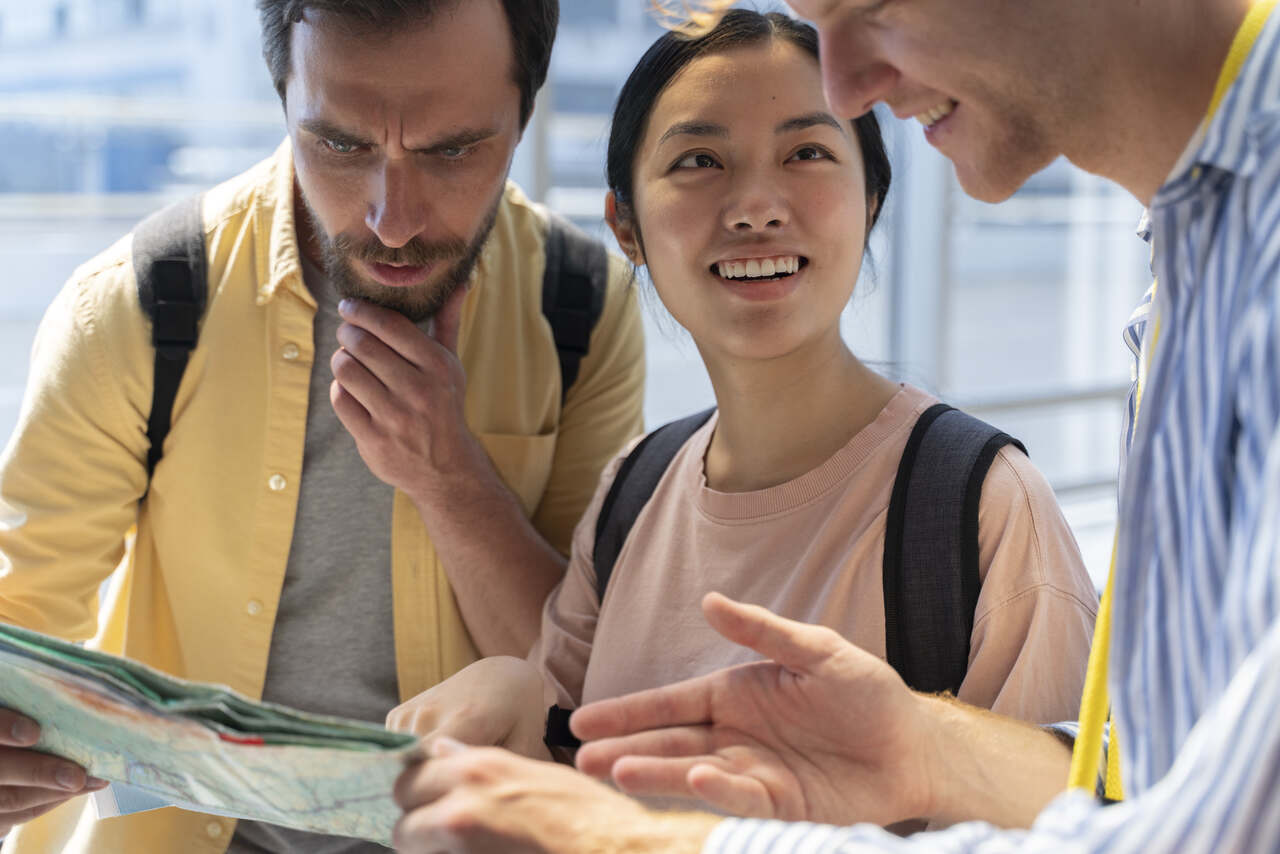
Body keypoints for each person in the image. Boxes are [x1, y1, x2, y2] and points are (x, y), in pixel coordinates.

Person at [390, 0, 1280, 851]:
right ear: (625, 224)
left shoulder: (977, 505)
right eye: (699, 161)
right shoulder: (636, 488)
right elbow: (1150, 788)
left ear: (873, 204)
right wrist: (518, 701)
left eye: (809, 151)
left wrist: (654, 841)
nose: (755, 205)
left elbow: (1147, 821)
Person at [0, 1, 645, 852]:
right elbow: (23, 616)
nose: (393, 218)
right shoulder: (139, 302)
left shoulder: (583, 310)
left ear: (524, 113)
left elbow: (583, 693)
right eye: (340, 145)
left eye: (452, 149)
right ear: (284, 101)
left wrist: (449, 476)